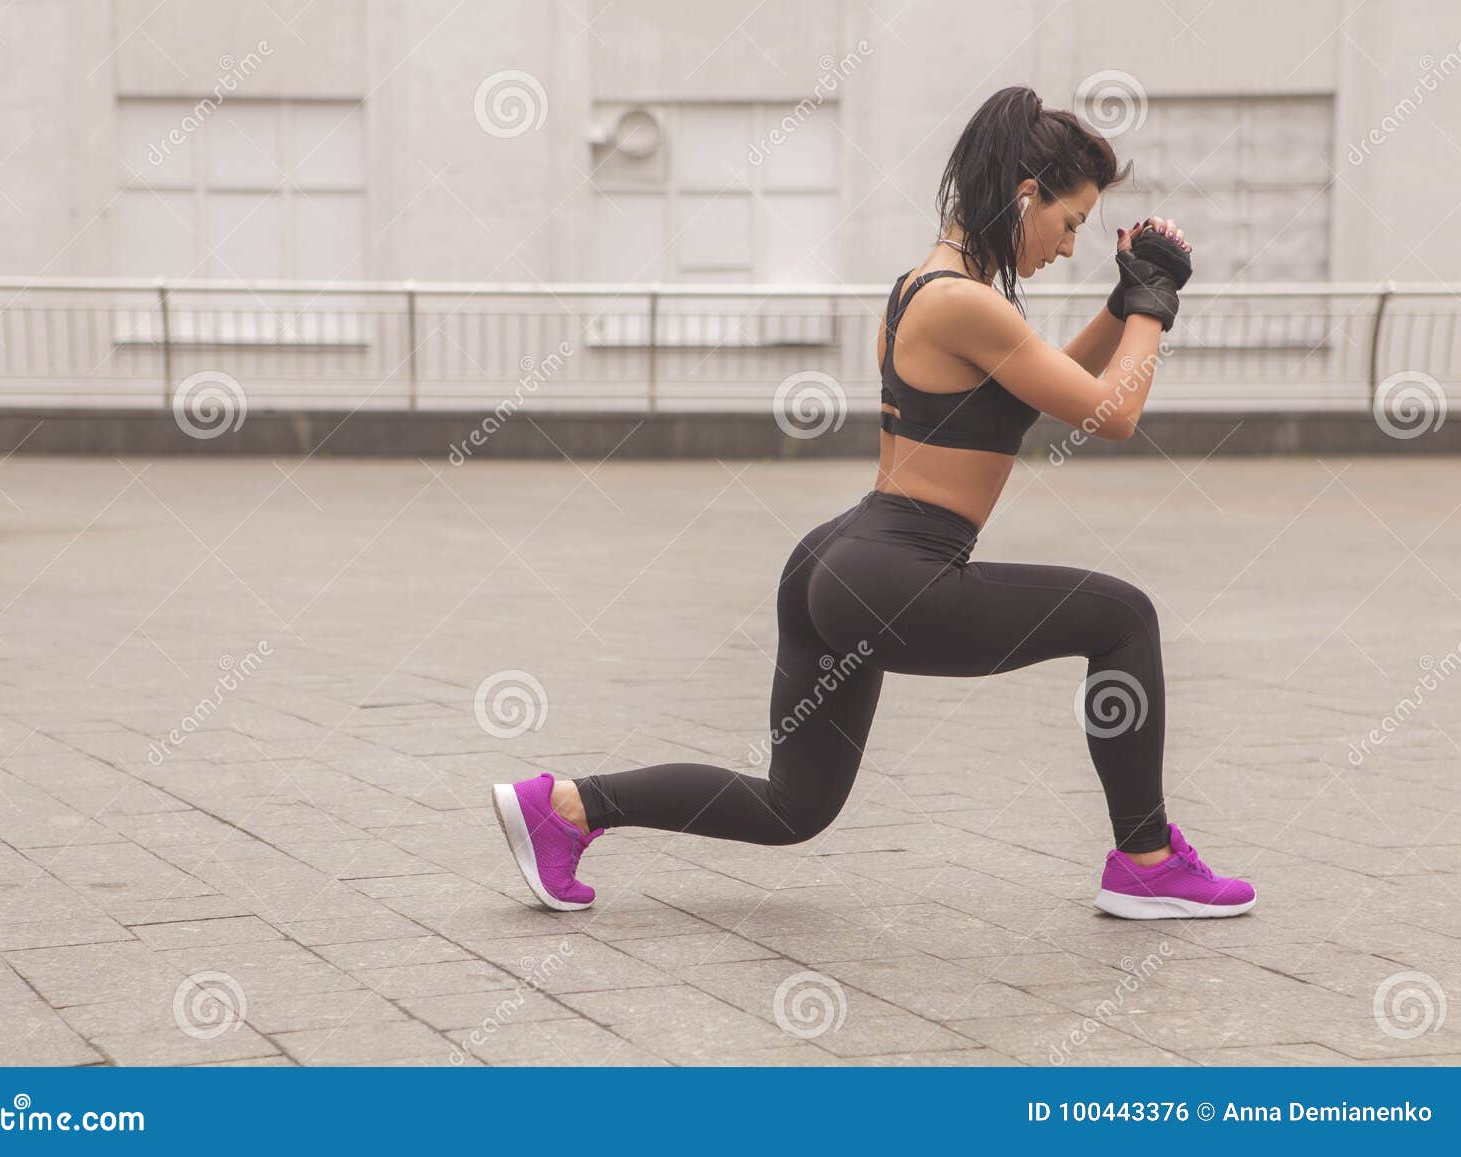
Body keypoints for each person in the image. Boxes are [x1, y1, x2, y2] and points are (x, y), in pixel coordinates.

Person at [492, 85, 1255, 921]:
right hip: (898, 571)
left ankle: (565, 804)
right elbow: (1114, 414)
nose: (1071, 247)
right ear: (1026, 196)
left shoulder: (930, 286)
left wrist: (1126, 304)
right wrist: (1153, 302)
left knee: (795, 805)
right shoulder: (966, 302)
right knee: (1123, 618)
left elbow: (1053, 387)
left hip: (842, 560)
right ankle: (1145, 860)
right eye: (1069, 223)